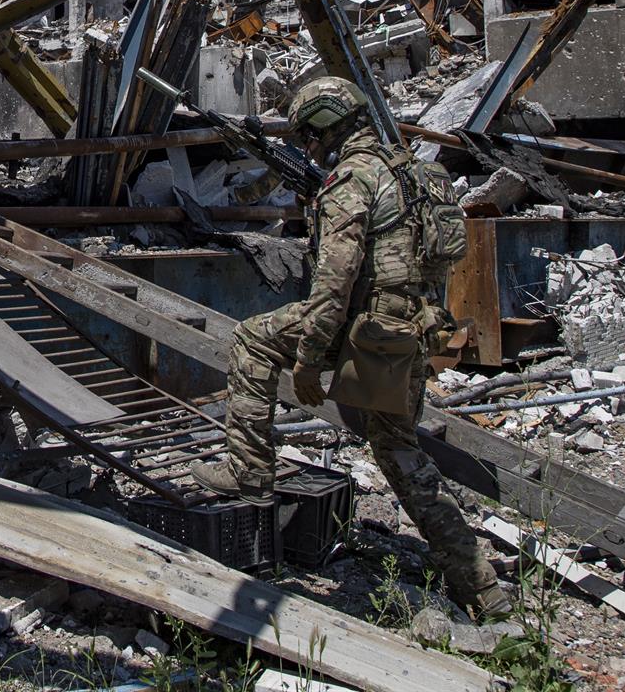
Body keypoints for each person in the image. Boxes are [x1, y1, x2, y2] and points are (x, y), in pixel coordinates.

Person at [189, 76, 509, 619]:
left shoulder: (351, 181)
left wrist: (311, 359)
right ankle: (479, 584)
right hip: (412, 328)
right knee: (398, 449)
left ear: (321, 129)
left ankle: (250, 471)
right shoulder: (417, 174)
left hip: (358, 328)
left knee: (253, 338)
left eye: (307, 135)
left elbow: (333, 284)